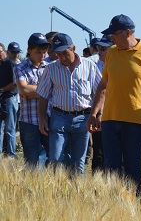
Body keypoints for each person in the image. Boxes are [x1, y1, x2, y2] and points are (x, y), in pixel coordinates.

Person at [88, 14, 141, 195]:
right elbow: (104, 85)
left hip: (135, 121)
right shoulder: (112, 53)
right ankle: (114, 205)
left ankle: (133, 207)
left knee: (132, 167)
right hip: (110, 119)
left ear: (128, 32)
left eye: (115, 34)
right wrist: (95, 112)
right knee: (111, 166)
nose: (112, 38)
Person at [37, 33, 102, 174]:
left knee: (78, 163)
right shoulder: (51, 69)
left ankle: (76, 194)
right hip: (59, 117)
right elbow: (43, 96)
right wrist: (42, 119)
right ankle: (59, 192)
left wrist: (98, 114)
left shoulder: (89, 66)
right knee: (55, 159)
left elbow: (100, 92)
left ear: (73, 48)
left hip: (83, 118)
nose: (62, 58)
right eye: (58, 55)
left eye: (65, 54)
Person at [14, 33, 51, 166]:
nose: (42, 55)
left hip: (49, 119)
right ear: (29, 50)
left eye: (44, 52)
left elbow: (56, 89)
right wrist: (46, 90)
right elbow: (24, 90)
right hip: (29, 121)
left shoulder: (51, 67)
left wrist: (33, 91)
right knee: (32, 161)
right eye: (38, 52)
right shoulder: (20, 68)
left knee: (50, 159)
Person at [90, 35, 114, 172]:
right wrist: (98, 113)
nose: (99, 51)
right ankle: (97, 187)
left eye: (103, 48)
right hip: (99, 115)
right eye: (98, 48)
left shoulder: (121, 65)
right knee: (99, 153)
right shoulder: (92, 65)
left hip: (117, 115)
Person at [0, 42, 21, 157]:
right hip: (5, 98)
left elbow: (15, 84)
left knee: (9, 128)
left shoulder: (11, 64)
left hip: (10, 99)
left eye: (17, 52)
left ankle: (11, 155)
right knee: (6, 128)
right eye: (14, 52)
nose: (16, 55)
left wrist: (2, 90)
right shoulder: (5, 64)